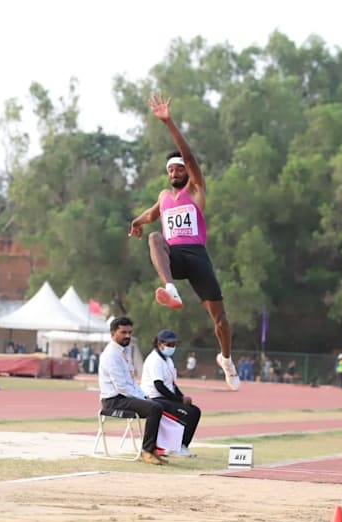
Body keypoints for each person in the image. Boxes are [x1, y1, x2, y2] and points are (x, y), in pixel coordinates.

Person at [128, 95, 239, 392]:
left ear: (186, 171)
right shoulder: (165, 197)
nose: (175, 173)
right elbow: (152, 214)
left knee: (221, 321)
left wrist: (168, 122)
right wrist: (137, 222)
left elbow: (188, 155)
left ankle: (226, 359)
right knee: (155, 237)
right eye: (171, 171)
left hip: (197, 257)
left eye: (179, 169)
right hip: (175, 256)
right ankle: (170, 288)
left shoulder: (197, 189)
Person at [97, 316, 165, 465]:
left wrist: (144, 396)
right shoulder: (110, 355)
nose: (127, 335)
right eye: (123, 332)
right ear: (113, 333)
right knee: (154, 408)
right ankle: (146, 451)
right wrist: (143, 400)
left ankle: (151, 448)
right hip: (113, 401)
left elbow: (132, 382)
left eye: (129, 332)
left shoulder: (126, 351)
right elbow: (121, 387)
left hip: (125, 397)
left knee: (157, 405)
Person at [141, 329, 201, 457]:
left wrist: (182, 397)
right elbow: (159, 386)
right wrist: (179, 401)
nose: (172, 347)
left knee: (195, 411)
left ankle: (183, 445)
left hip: (165, 397)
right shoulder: (154, 360)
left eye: (174, 345)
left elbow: (172, 384)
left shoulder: (168, 360)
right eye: (169, 345)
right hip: (154, 398)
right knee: (187, 413)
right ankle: (173, 447)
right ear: (160, 344)